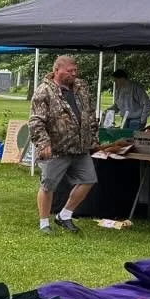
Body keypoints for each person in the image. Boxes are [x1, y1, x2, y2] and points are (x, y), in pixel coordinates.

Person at [29, 55, 101, 233]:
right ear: (56, 70)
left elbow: (89, 113)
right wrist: (43, 143)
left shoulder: (81, 87)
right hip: (56, 148)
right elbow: (36, 121)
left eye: (75, 70)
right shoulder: (43, 91)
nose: (74, 74)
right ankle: (44, 223)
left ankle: (65, 215)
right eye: (70, 71)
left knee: (89, 179)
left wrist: (93, 138)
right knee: (48, 185)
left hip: (80, 146)